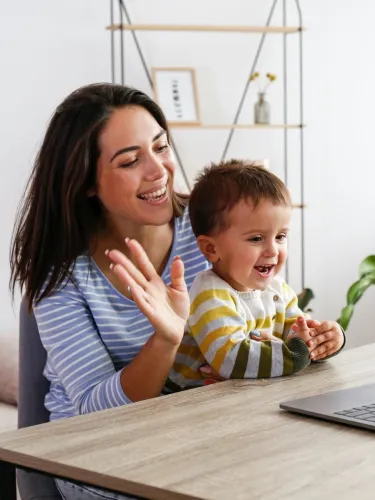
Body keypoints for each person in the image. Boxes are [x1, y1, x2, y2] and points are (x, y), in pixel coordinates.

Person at [10, 83, 343, 500]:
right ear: (86, 183)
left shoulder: (213, 228)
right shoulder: (63, 277)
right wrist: (166, 339)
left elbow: (263, 320)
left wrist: (303, 338)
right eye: (131, 160)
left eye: (161, 147)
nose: (158, 170)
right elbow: (97, 412)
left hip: (212, 436)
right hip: (106, 463)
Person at [166, 161, 346, 391]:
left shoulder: (277, 291)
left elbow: (297, 335)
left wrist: (323, 340)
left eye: (280, 236)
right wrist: (295, 354)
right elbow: (231, 358)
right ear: (211, 249)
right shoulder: (209, 294)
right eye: (256, 239)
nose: (273, 250)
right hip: (186, 402)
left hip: (240, 397)